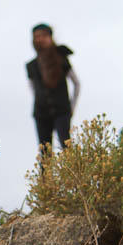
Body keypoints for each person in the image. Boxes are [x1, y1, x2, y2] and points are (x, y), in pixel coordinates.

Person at [26, 23, 80, 154]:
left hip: (62, 111)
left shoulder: (61, 57)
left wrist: (71, 107)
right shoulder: (31, 65)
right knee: (44, 152)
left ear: (50, 37)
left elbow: (76, 83)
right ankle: (46, 175)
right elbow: (33, 89)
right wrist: (40, 101)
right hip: (41, 113)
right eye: (36, 36)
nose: (40, 39)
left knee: (66, 146)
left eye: (43, 36)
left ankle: (74, 173)